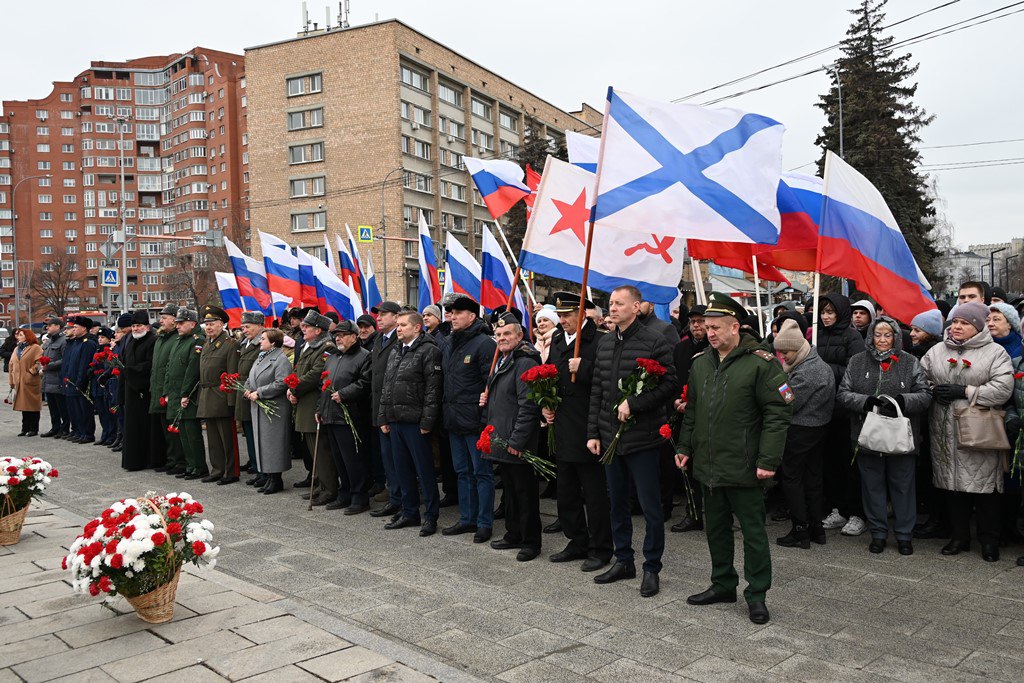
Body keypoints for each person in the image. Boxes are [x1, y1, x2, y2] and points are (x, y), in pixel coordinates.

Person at [675, 292, 791, 625]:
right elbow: (693, 411)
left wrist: (768, 460)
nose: (708, 333)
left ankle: (756, 594)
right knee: (716, 529)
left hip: (745, 465)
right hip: (709, 465)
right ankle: (722, 583)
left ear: (735, 327)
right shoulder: (700, 363)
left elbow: (779, 411)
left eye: (715, 327)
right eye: (706, 327)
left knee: (753, 533)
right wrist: (684, 448)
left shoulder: (760, 363)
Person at [587, 285, 676, 598]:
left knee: (651, 508)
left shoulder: (655, 341)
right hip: (611, 439)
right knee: (617, 504)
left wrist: (635, 405)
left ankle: (652, 567)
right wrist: (593, 433)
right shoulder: (606, 342)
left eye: (619, 303)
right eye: (610, 303)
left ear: (636, 307)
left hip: (643, 439)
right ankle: (623, 559)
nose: (612, 308)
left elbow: (669, 385)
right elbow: (597, 391)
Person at [921, 301, 1014, 562]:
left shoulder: (995, 353)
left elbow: (1002, 389)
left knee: (984, 489)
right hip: (944, 428)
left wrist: (966, 391)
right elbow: (922, 377)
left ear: (978, 327)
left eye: (964, 323)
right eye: (955, 323)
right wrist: (932, 390)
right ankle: (959, 537)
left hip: (979, 429)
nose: (957, 327)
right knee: (953, 486)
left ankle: (989, 541)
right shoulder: (938, 350)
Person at [836, 316, 931, 555]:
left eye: (887, 335)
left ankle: (904, 534)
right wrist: (865, 401)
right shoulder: (857, 362)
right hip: (868, 436)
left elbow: (925, 395)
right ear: (870, 337)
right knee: (872, 487)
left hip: (901, 438)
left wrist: (902, 401)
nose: (882, 340)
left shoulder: (910, 362)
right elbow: (843, 393)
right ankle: (878, 533)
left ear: (896, 337)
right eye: (877, 335)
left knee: (903, 487)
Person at [543, 292, 612, 571]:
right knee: (566, 490)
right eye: (560, 315)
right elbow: (552, 375)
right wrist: (545, 404)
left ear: (582, 314)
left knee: (594, 493)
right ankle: (577, 539)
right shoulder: (559, 339)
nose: (563, 320)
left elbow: (610, 379)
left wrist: (585, 368)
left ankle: (601, 547)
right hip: (561, 424)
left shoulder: (600, 341)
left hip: (588, 425)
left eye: (568, 315)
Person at [482, 311, 543, 561]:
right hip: (502, 437)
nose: (502, 338)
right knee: (510, 491)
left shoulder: (525, 361)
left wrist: (518, 441)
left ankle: (531, 541)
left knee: (525, 493)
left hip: (518, 441)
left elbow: (528, 406)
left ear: (519, 335)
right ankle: (513, 533)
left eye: (507, 333)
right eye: (498, 334)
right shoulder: (503, 358)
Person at [378, 311, 443, 536]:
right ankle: (410, 512)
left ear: (417, 328)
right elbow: (387, 386)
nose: (399, 329)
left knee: (424, 471)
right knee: (402, 469)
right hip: (395, 420)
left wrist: (427, 421)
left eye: (403, 325)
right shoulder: (396, 350)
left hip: (416, 423)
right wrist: (383, 417)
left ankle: (431, 516)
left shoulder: (429, 350)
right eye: (397, 325)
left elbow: (433, 390)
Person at [772, 319, 834, 549]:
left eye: (785, 353)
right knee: (812, 479)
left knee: (792, 480)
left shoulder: (809, 371)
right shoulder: (815, 364)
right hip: (817, 429)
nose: (783, 358)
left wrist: (778, 383)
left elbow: (788, 401)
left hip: (801, 431)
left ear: (797, 348)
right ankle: (815, 528)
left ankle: (800, 530)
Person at [440, 296, 497, 543]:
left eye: (457, 313)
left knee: (481, 473)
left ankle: (484, 522)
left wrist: (484, 418)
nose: (452, 317)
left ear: (472, 316)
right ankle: (467, 518)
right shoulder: (449, 342)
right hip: (454, 419)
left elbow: (490, 384)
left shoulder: (484, 344)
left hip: (474, 421)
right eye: (450, 313)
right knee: (462, 472)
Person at [816, 293, 868, 537]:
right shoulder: (819, 335)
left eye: (830, 312)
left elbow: (855, 371)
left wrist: (824, 371)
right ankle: (838, 509)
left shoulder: (853, 337)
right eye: (823, 312)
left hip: (846, 411)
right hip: (823, 408)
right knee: (830, 463)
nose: (826, 317)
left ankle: (857, 513)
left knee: (851, 464)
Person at [317, 321, 372, 512]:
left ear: (354, 337)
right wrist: (320, 409)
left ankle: (359, 498)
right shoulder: (332, 357)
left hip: (350, 415)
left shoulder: (364, 356)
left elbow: (365, 382)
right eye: (336, 335)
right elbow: (323, 384)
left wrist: (344, 394)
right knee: (339, 459)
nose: (338, 338)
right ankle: (345, 493)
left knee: (353, 459)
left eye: (342, 334)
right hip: (331, 414)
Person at [290, 309, 337, 505]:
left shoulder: (326, 348)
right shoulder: (310, 346)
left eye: (307, 326)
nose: (303, 329)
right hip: (304, 402)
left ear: (318, 330)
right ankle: (318, 484)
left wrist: (294, 388)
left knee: (321, 450)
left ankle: (329, 489)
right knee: (313, 449)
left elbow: (316, 374)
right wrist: (291, 388)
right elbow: (299, 370)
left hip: (315, 403)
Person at [907, 309, 947, 540]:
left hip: (934, 422)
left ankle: (938, 519)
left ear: (930, 333)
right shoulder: (916, 352)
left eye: (917, 330)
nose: (912, 334)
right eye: (912, 329)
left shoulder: (934, 354)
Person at [671, 305, 710, 533]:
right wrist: (677, 400)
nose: (696, 325)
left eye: (700, 321)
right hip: (683, 415)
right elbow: (674, 377)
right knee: (687, 467)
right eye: (693, 321)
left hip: (705, 416)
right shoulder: (681, 347)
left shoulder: (713, 348)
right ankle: (693, 513)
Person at [244, 328, 293, 495]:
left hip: (274, 408)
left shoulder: (280, 359)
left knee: (273, 444)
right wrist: (247, 389)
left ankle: (276, 478)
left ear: (273, 342)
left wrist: (260, 392)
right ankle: (269, 477)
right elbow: (251, 378)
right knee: (263, 443)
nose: (260, 341)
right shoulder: (260, 358)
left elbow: (281, 383)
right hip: (258, 406)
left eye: (263, 339)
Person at [197, 305, 240, 484]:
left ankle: (230, 472)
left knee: (226, 438)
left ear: (222, 324)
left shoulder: (230, 344)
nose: (208, 327)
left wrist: (231, 401)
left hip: (222, 396)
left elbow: (231, 374)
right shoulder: (207, 344)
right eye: (206, 324)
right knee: (213, 438)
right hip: (207, 395)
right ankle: (217, 469)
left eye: (212, 323)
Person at [166, 308, 208, 481]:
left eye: (181, 323)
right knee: (182, 433)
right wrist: (167, 391)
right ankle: (190, 465)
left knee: (192, 433)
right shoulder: (179, 341)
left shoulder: (196, 341)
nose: (178, 326)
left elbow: (192, 370)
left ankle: (199, 466)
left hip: (188, 395)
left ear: (193, 323)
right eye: (177, 323)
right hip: (176, 394)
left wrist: (185, 394)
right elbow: (170, 367)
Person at [369, 302, 402, 519]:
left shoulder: (400, 340)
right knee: (387, 458)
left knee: (399, 459)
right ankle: (394, 497)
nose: (378, 318)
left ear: (396, 316)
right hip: (379, 407)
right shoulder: (378, 340)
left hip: (394, 408)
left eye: (383, 314)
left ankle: (402, 499)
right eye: (377, 315)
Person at [149, 304, 183, 473]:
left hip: (170, 392)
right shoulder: (161, 338)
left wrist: (168, 391)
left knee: (174, 429)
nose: (160, 320)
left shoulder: (176, 338)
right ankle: (171, 459)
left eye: (164, 317)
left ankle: (179, 461)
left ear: (174, 319)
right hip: (158, 390)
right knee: (165, 429)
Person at [236, 311, 265, 485]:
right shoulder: (245, 343)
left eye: (247, 327)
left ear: (259, 326)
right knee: (248, 431)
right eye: (243, 327)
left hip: (256, 393)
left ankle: (262, 469)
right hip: (244, 391)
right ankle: (255, 466)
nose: (244, 330)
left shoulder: (262, 343)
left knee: (257, 435)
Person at [61, 316, 97, 444]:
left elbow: (84, 365)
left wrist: (80, 381)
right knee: (75, 410)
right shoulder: (76, 342)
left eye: (76, 327)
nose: (73, 329)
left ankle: (87, 433)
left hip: (81, 382)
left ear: (84, 328)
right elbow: (70, 363)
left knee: (84, 410)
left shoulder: (88, 343)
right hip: (71, 381)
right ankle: (79, 432)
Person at [9, 328, 43, 436]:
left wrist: (31, 372)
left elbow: (39, 362)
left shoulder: (35, 348)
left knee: (32, 405)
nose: (18, 337)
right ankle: (25, 428)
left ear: (27, 336)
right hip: (19, 380)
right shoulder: (17, 349)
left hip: (30, 380)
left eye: (21, 335)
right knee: (24, 405)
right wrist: (11, 380)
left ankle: (33, 428)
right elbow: (11, 364)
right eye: (18, 335)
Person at [39, 316, 68, 439]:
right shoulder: (49, 341)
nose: (47, 327)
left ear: (57, 326)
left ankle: (65, 429)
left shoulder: (63, 341)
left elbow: (64, 360)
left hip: (57, 378)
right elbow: (43, 357)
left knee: (62, 407)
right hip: (48, 379)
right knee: (52, 408)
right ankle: (55, 428)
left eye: (50, 325)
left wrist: (49, 366)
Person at [91, 328, 118, 447]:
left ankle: (111, 435)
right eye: (99, 337)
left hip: (106, 384)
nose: (100, 339)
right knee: (102, 412)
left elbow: (109, 367)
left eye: (102, 337)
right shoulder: (98, 349)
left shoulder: (109, 350)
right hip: (97, 384)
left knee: (109, 413)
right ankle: (105, 434)